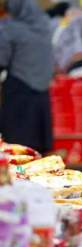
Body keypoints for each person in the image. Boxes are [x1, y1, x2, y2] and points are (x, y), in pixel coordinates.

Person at [0, 0, 54, 153]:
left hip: (19, 91)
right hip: (42, 93)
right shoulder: (44, 27)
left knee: (16, 145)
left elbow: (2, 59)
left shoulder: (11, 29)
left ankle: (18, 176)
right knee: (36, 145)